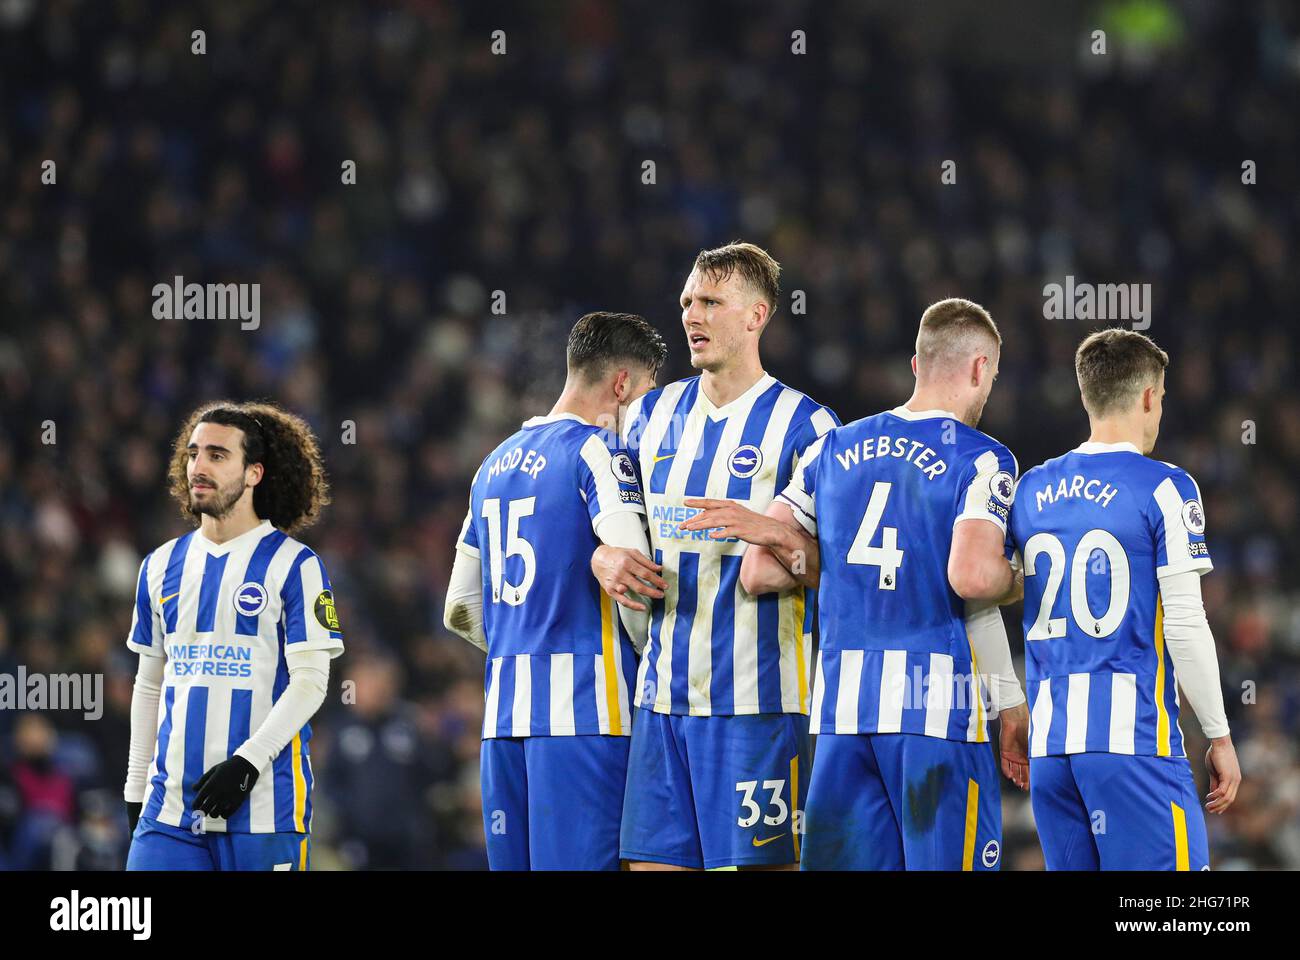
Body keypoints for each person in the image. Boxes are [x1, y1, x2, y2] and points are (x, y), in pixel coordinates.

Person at [689, 298, 1029, 869]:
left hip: (842, 712)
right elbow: (972, 583)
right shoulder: (983, 459)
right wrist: (1020, 581)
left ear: (916, 366)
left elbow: (761, 568)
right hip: (934, 715)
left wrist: (841, 569)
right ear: (980, 370)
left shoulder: (834, 446)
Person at [593, 242, 838, 870]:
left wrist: (773, 533)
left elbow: (834, 570)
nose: (691, 316)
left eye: (710, 302)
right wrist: (603, 559)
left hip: (758, 705)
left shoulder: (807, 427)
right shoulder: (648, 415)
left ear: (757, 315)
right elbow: (607, 531)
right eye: (686, 302)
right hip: (662, 698)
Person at [1008, 328, 1241, 869]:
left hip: (1052, 752)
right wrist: (1219, 736)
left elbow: (987, 597)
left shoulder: (1031, 490)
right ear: (1149, 397)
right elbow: (1185, 622)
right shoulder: (1165, 486)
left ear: (1087, 396)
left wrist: (1009, 706)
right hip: (1132, 747)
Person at [443, 311, 666, 870]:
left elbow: (459, 608)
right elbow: (634, 584)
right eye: (645, 394)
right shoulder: (600, 453)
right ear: (622, 385)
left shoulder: (491, 465)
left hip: (502, 721)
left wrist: (521, 651)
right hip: (587, 715)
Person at [124, 401, 343, 870]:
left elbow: (310, 682)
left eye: (218, 455)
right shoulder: (159, 566)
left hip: (265, 808)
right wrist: (133, 785)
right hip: (168, 815)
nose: (198, 467)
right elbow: (148, 684)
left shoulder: (295, 565)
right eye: (193, 453)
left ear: (253, 473)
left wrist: (246, 765)